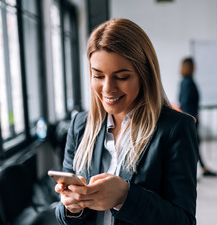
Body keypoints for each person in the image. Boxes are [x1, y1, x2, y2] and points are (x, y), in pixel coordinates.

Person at [54, 18, 198, 225]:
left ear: (144, 74)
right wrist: (72, 207)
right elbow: (62, 213)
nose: (107, 89)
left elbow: (183, 221)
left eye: (121, 77)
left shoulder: (176, 128)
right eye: (98, 76)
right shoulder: (80, 124)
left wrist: (125, 197)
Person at [179, 57, 217, 177]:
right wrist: (192, 116)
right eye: (193, 65)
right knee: (192, 146)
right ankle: (193, 171)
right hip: (191, 118)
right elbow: (184, 101)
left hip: (191, 117)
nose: (195, 67)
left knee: (194, 145)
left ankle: (202, 168)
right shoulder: (188, 82)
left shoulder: (185, 81)